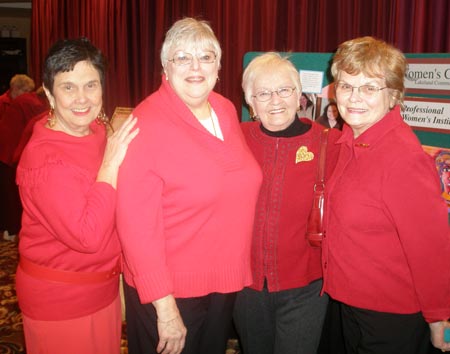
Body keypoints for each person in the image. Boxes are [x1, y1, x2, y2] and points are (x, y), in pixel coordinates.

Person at [115, 17, 262, 354]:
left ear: (219, 67)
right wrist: (165, 309)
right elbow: (136, 228)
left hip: (222, 284)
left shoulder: (224, 110)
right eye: (183, 57)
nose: (196, 67)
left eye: (206, 57)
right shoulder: (147, 122)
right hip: (170, 294)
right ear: (165, 67)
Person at [321, 36, 450, 354]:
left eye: (369, 88)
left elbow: (431, 248)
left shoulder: (402, 159)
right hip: (352, 304)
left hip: (390, 318)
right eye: (347, 86)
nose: (354, 98)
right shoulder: (350, 141)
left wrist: (439, 318)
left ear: (393, 95)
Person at [15, 37, 138, 354]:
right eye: (68, 87)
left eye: (91, 85)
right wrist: (111, 163)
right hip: (62, 301)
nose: (82, 98)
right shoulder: (45, 158)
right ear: (49, 92)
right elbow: (88, 237)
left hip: (102, 288)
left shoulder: (97, 130)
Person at [233, 52, 341, 354]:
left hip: (305, 286)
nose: (275, 101)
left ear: (299, 96)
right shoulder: (236, 138)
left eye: (284, 90)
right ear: (250, 102)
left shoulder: (328, 144)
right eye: (263, 93)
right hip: (247, 286)